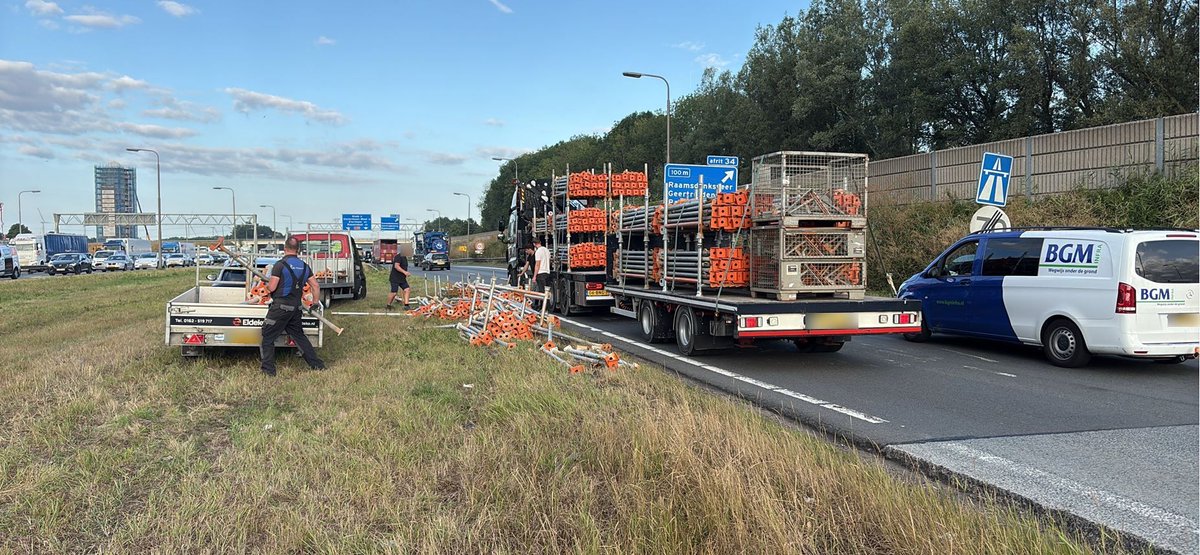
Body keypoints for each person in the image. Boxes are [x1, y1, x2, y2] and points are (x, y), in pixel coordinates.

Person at [260, 236, 325, 376]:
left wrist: (265, 284)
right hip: (296, 308)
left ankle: (268, 371)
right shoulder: (304, 266)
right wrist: (314, 303)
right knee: (299, 336)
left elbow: (271, 288)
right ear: (298, 250)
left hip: (280, 307)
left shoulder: (280, 265)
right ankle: (317, 366)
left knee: (267, 336)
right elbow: (315, 286)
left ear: (284, 248)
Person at [531, 238, 551, 307]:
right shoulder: (547, 250)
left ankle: (542, 307)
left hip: (541, 273)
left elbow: (537, 264)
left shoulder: (538, 251)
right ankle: (546, 307)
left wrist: (534, 276)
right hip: (547, 272)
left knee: (541, 292)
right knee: (547, 291)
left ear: (534, 244)